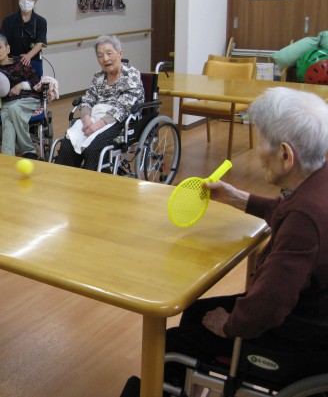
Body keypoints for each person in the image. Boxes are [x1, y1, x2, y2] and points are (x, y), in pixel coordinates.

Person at [120, 87, 328, 397]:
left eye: (261, 142)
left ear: (285, 155)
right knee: (196, 312)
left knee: (173, 344)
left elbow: (269, 305)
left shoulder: (304, 220)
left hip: (300, 342)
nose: (258, 152)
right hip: (313, 318)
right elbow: (285, 211)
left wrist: (230, 325)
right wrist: (236, 197)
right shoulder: (317, 183)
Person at [54, 35, 144, 171]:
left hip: (120, 120)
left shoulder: (131, 75)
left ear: (120, 54)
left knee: (94, 147)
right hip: (95, 116)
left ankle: (92, 182)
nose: (105, 59)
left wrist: (97, 126)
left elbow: (123, 108)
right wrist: (86, 121)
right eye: (100, 55)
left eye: (109, 53)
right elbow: (88, 99)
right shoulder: (99, 76)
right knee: (69, 143)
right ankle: (66, 179)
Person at [0, 33, 41, 159]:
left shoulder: (20, 63)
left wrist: (20, 85)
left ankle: (27, 149)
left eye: (0, 47)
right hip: (6, 104)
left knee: (12, 109)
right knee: (9, 116)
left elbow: (36, 81)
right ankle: (8, 157)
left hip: (28, 99)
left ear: (8, 49)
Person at [0, 0, 47, 78]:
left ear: (35, 0)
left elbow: (40, 43)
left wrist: (28, 56)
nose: (26, 1)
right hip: (12, 63)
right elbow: (0, 41)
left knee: (33, 85)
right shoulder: (9, 20)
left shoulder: (40, 21)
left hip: (33, 62)